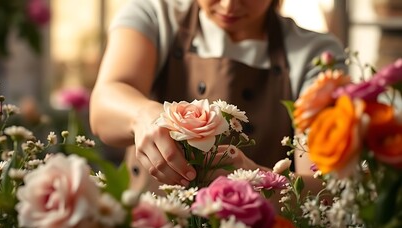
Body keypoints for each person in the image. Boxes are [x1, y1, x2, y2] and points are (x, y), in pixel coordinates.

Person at [89, 0, 346, 192]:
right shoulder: (154, 14)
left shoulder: (318, 55)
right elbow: (104, 103)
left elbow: (323, 186)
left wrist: (255, 179)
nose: (228, 5)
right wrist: (142, 116)